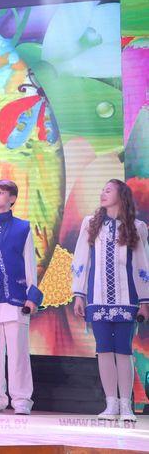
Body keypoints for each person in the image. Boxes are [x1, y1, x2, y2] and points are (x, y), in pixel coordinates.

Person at [72, 179, 149, 423]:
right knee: (104, 349)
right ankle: (111, 403)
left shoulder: (136, 227)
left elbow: (142, 264)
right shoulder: (90, 224)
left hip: (127, 300)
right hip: (97, 299)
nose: (103, 193)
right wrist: (79, 294)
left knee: (123, 350)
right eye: (102, 190)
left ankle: (126, 404)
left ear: (121, 195)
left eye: (108, 190)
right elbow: (81, 260)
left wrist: (145, 301)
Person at [0, 180, 42, 415]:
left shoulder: (23, 228)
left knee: (18, 354)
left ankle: (22, 399)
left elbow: (30, 263)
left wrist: (32, 296)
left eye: (1, 193)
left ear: (12, 198)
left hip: (16, 298)